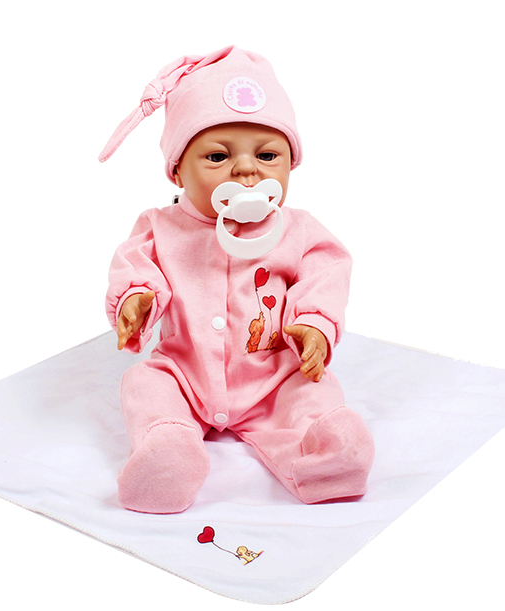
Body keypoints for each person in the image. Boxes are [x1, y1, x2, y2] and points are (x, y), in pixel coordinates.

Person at [99, 46, 374, 514]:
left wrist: (313, 324)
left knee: (311, 392)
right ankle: (168, 448)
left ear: (290, 164)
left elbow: (326, 273)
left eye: (267, 154)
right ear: (178, 170)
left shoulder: (299, 230)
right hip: (185, 373)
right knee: (145, 384)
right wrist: (136, 298)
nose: (246, 169)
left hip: (273, 377)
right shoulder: (160, 226)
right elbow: (135, 263)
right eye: (217, 155)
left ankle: (328, 454)